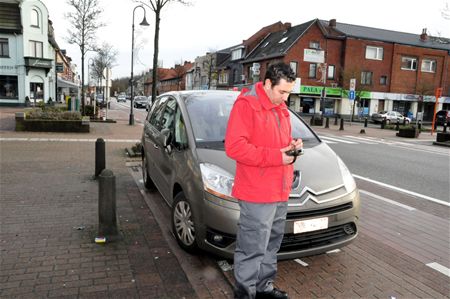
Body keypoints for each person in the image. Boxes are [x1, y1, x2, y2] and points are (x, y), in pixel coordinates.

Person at [225, 62, 303, 299]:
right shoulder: (246, 105)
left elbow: (277, 143)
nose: (286, 98)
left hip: (279, 189)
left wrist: (292, 147)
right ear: (268, 84)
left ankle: (264, 288)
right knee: (252, 248)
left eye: (289, 92)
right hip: (257, 192)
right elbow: (235, 147)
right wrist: (278, 157)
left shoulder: (280, 108)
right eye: (282, 92)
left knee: (271, 245)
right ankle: (245, 294)